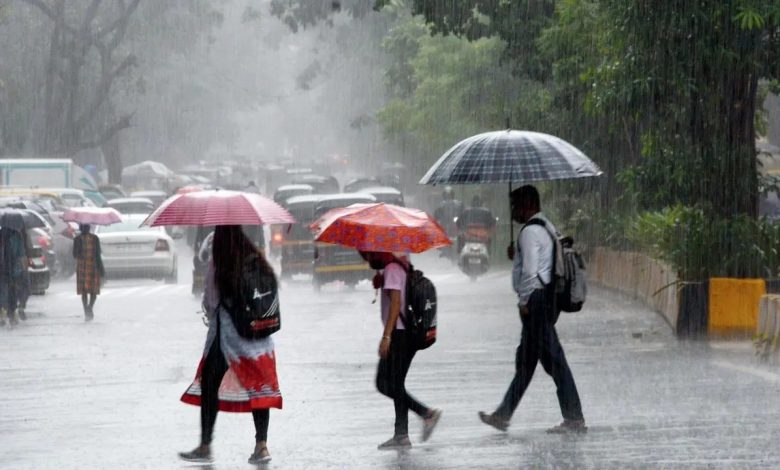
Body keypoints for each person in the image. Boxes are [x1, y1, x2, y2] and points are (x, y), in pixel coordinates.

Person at [478, 185, 586, 434]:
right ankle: (503, 414)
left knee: (555, 361)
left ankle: (574, 418)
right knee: (527, 363)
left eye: (515, 205)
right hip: (544, 300)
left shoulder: (529, 233)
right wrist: (516, 255)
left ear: (528, 204)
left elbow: (530, 272)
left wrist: (524, 302)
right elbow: (538, 264)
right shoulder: (546, 227)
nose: (513, 211)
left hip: (535, 302)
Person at [179, 225, 283, 464]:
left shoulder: (222, 260)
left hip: (228, 334)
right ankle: (262, 445)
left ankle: (205, 445)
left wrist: (209, 308)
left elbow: (211, 297)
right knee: (259, 389)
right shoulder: (254, 258)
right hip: (258, 336)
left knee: (210, 385)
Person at [360, 250, 441, 450]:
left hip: (400, 335)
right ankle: (401, 435)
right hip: (403, 334)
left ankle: (426, 414)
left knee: (384, 383)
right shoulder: (395, 266)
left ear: (379, 253)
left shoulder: (393, 268)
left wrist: (387, 336)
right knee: (396, 384)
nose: (367, 260)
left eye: (369, 255)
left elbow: (396, 304)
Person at [72, 224, 104, 321]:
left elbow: (75, 255)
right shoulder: (93, 238)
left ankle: (87, 308)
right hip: (92, 266)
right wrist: (101, 268)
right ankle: (89, 308)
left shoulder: (78, 239)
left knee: (85, 291)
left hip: (84, 267)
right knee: (92, 291)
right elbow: (98, 254)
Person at [0, 219, 26, 326]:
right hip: (14, 269)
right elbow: (21, 254)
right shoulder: (17, 236)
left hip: (2, 268)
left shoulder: (1, 235)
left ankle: (3, 310)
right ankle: (12, 312)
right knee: (13, 290)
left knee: (2, 290)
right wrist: (24, 269)